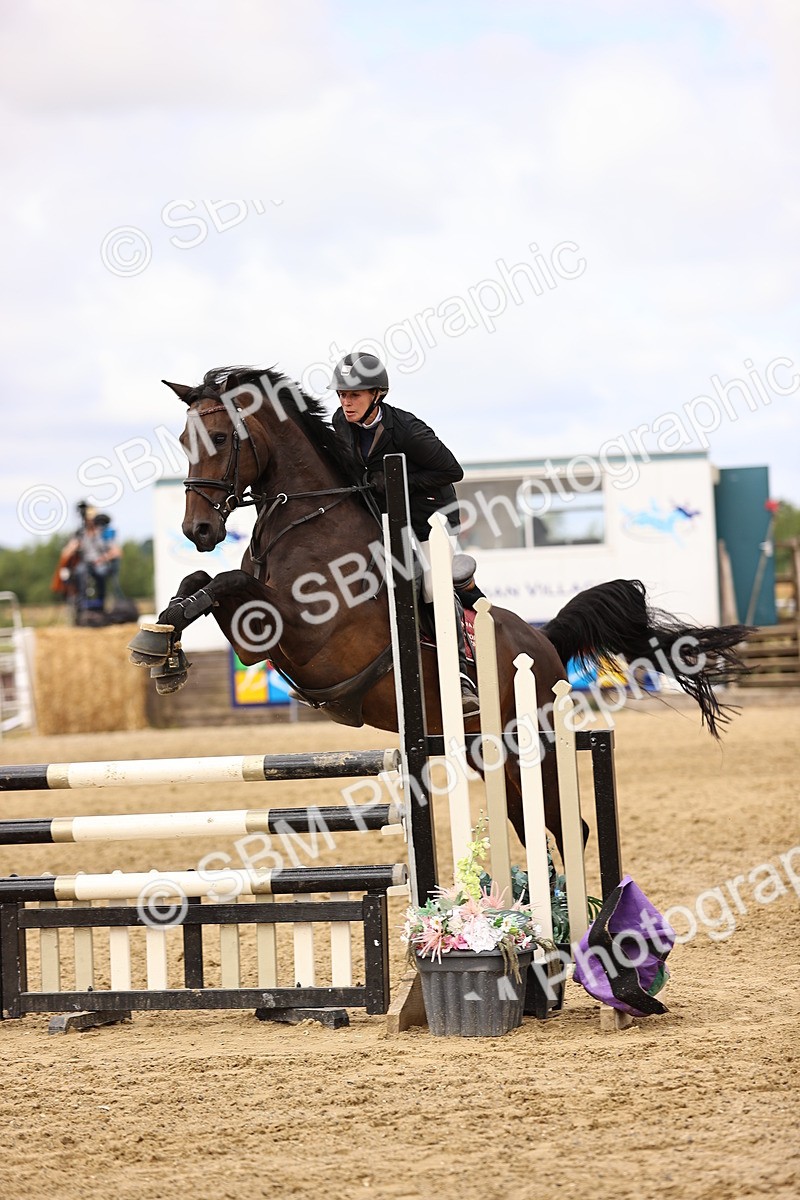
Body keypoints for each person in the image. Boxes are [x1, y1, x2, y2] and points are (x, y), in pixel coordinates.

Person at [330, 351, 482, 716]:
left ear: (377, 394)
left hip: (431, 516)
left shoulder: (408, 429)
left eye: (354, 395)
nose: (346, 403)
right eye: (342, 395)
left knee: (431, 585)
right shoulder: (341, 422)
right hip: (385, 518)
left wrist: (396, 483)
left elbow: (452, 470)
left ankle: (462, 676)